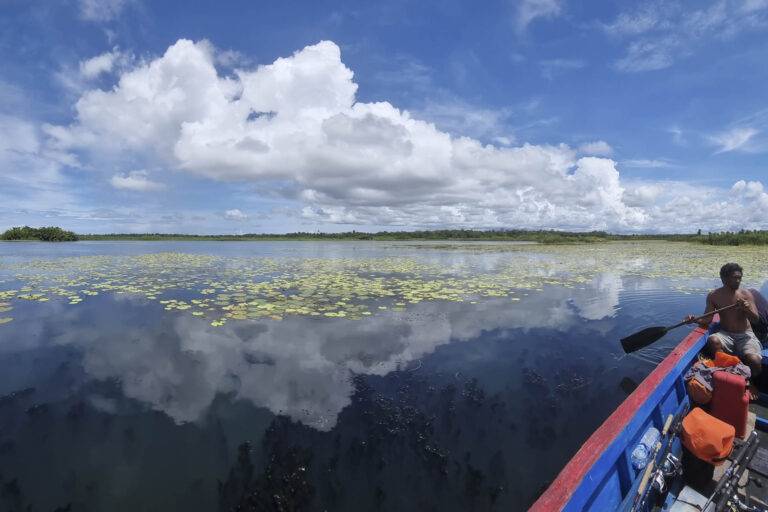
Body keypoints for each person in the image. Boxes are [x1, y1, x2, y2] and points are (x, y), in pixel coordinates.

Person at [684, 263, 762, 377]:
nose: (738, 280)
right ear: (724, 279)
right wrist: (694, 319)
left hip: (745, 334)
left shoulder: (746, 294)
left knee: (754, 360)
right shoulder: (714, 295)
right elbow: (707, 319)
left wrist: (746, 309)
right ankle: (726, 372)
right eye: (735, 278)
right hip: (726, 334)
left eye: (740, 278)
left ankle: (751, 384)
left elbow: (755, 319)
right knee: (713, 340)